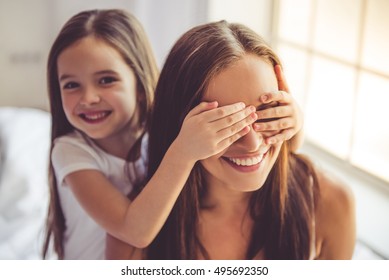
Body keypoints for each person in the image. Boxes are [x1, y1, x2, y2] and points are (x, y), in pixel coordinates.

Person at [42, 10, 303, 259]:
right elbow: (135, 231)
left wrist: (294, 123)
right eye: (71, 85)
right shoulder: (70, 152)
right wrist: (184, 151)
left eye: (106, 80)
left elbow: (282, 156)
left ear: (140, 82)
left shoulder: (155, 129)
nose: (89, 98)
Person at [107, 20, 356, 260]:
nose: (252, 143)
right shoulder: (133, 231)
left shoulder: (329, 203)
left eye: (266, 112)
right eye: (224, 122)